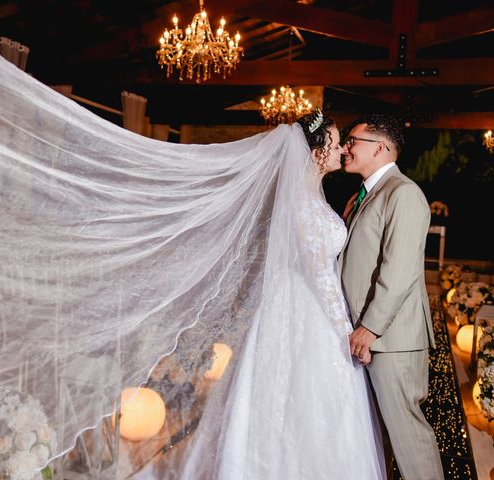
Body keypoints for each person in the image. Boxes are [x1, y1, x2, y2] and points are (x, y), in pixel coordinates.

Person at [140, 110, 386, 480]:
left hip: (301, 304)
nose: (341, 151)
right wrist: (343, 328)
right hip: (311, 311)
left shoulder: (310, 195)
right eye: (335, 144)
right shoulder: (301, 202)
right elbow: (319, 275)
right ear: (317, 152)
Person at [339, 114, 444, 479]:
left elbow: (398, 272)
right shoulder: (363, 195)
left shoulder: (404, 194)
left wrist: (369, 328)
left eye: (353, 140)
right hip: (366, 335)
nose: (345, 147)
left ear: (380, 148)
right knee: (376, 435)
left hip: (392, 338)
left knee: (408, 435)